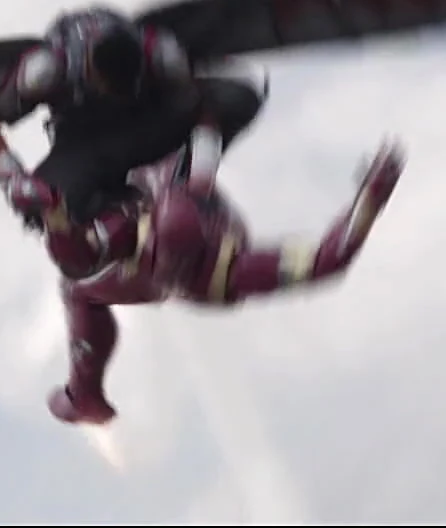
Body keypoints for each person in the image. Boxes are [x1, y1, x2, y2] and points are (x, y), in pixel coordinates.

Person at [44, 139, 408, 424]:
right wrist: (372, 197)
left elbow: (328, 261)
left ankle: (85, 392)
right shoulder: (218, 256)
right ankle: (85, 393)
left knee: (78, 284)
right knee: (80, 282)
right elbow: (329, 259)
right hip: (165, 245)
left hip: (162, 263)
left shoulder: (215, 266)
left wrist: (372, 196)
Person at [0, 6, 264, 276]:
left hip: (144, 125)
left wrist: (200, 181)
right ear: (91, 72)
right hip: (85, 143)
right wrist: (12, 176)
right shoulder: (46, 70)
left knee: (236, 95)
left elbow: (203, 109)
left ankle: (177, 185)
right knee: (41, 206)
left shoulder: (161, 55)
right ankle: (118, 218)